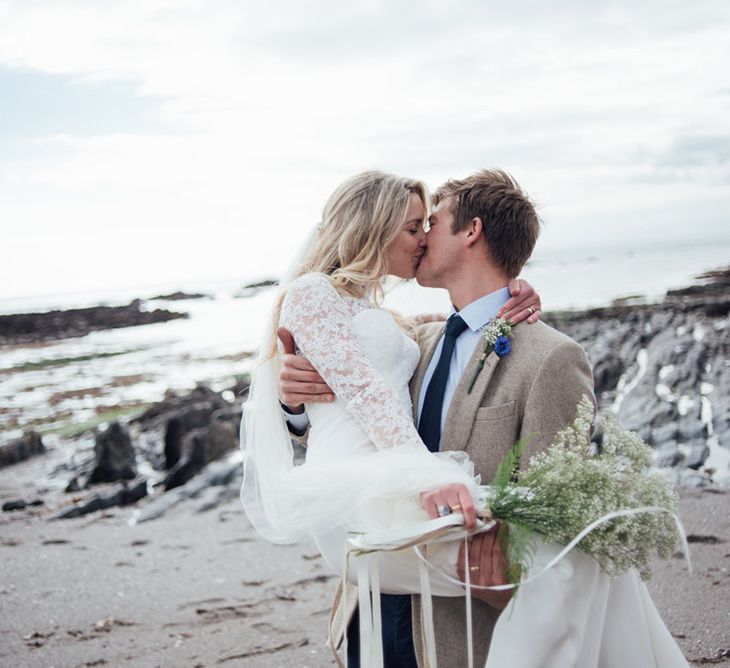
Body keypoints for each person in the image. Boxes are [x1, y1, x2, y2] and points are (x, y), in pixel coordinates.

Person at [245, 170, 688, 668]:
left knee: (593, 576)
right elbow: (361, 411)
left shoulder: (548, 357)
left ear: (471, 231)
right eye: (415, 225)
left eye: (429, 222)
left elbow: (556, 510)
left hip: (463, 627)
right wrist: (295, 406)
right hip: (373, 596)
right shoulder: (416, 343)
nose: (422, 236)